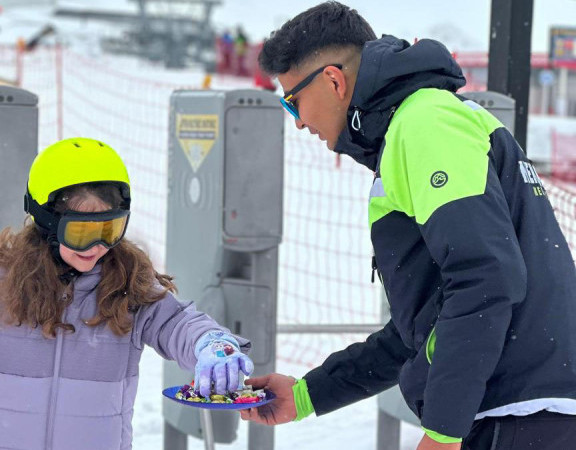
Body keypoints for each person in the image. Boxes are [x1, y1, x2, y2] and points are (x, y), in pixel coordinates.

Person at [242, 2, 576, 450]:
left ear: (333, 80)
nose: (299, 122)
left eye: (292, 101)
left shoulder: (424, 124)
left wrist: (443, 431)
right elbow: (421, 329)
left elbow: (485, 279)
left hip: (519, 417)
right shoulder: (417, 126)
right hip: (522, 411)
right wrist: (307, 395)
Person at [0, 137, 255, 449]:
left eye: (109, 229)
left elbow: (178, 323)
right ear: (46, 222)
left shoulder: (127, 284)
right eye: (80, 232)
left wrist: (211, 342)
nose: (96, 245)